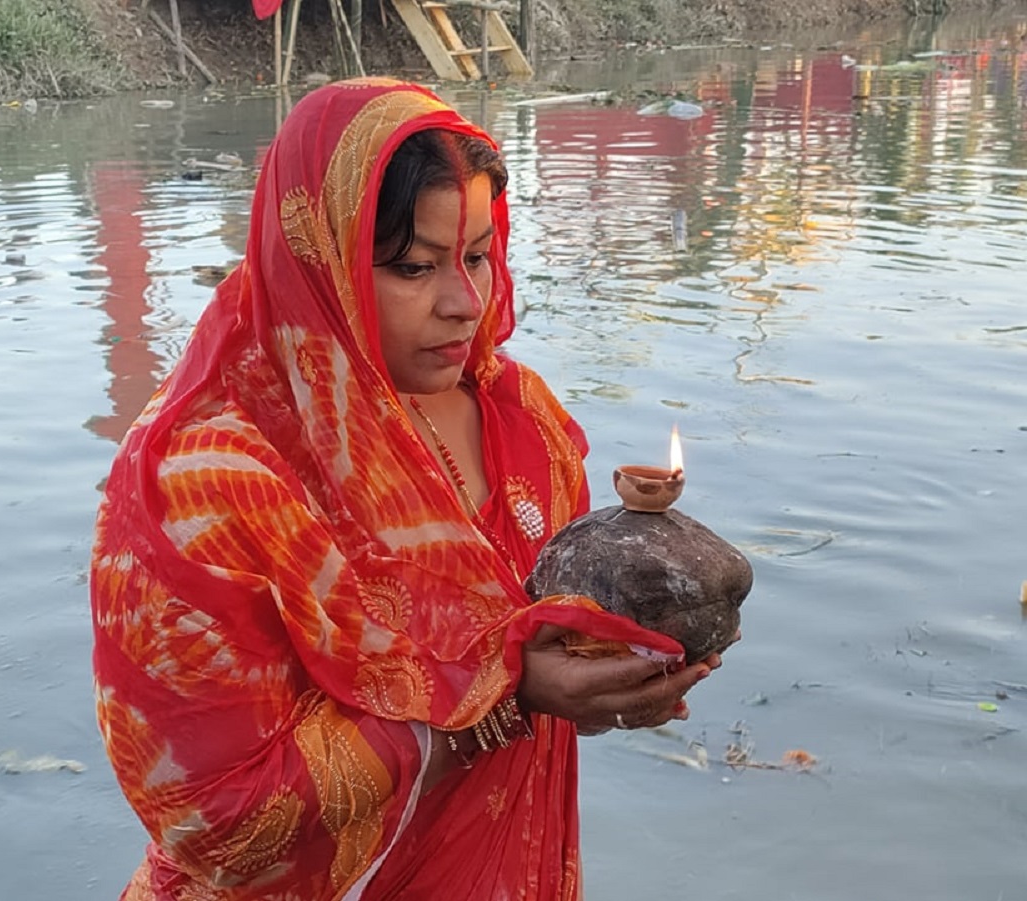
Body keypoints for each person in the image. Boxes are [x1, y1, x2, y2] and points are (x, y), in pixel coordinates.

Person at [90, 77, 722, 901]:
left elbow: (544, 656)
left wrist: (610, 680)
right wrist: (505, 692)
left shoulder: (520, 419)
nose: (464, 304)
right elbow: (212, 819)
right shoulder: (204, 484)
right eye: (415, 266)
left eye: (478, 256)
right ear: (319, 260)